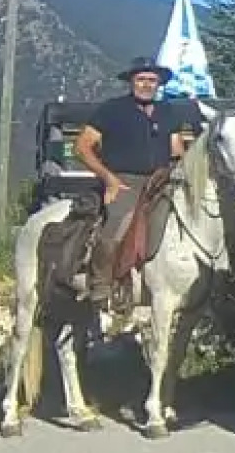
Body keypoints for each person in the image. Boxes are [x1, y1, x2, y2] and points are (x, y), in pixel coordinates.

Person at [74, 56, 202, 309]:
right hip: (124, 180)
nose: (146, 84)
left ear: (159, 84)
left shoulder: (168, 111)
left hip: (162, 178)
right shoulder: (112, 109)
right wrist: (109, 179)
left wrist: (186, 170)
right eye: (141, 79)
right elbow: (82, 147)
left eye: (152, 80)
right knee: (118, 225)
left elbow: (176, 148)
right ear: (131, 81)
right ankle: (100, 285)